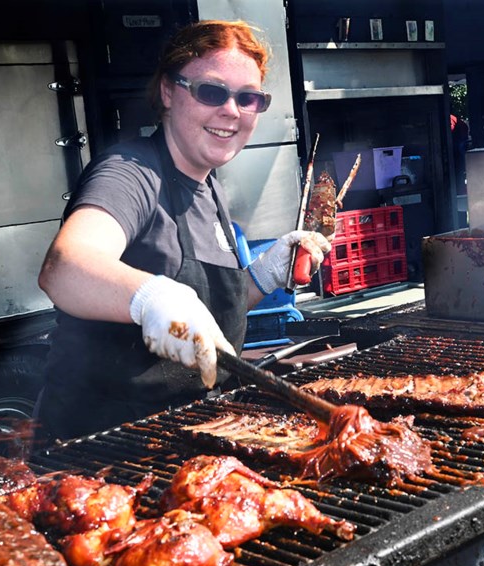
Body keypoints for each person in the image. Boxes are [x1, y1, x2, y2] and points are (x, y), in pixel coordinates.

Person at [34, 19, 331, 440]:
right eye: (211, 92)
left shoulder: (209, 187)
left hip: (187, 434)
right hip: (104, 446)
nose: (231, 110)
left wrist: (265, 274)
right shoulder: (129, 174)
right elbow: (63, 269)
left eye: (249, 98)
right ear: (168, 92)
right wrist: (150, 295)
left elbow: (198, 322)